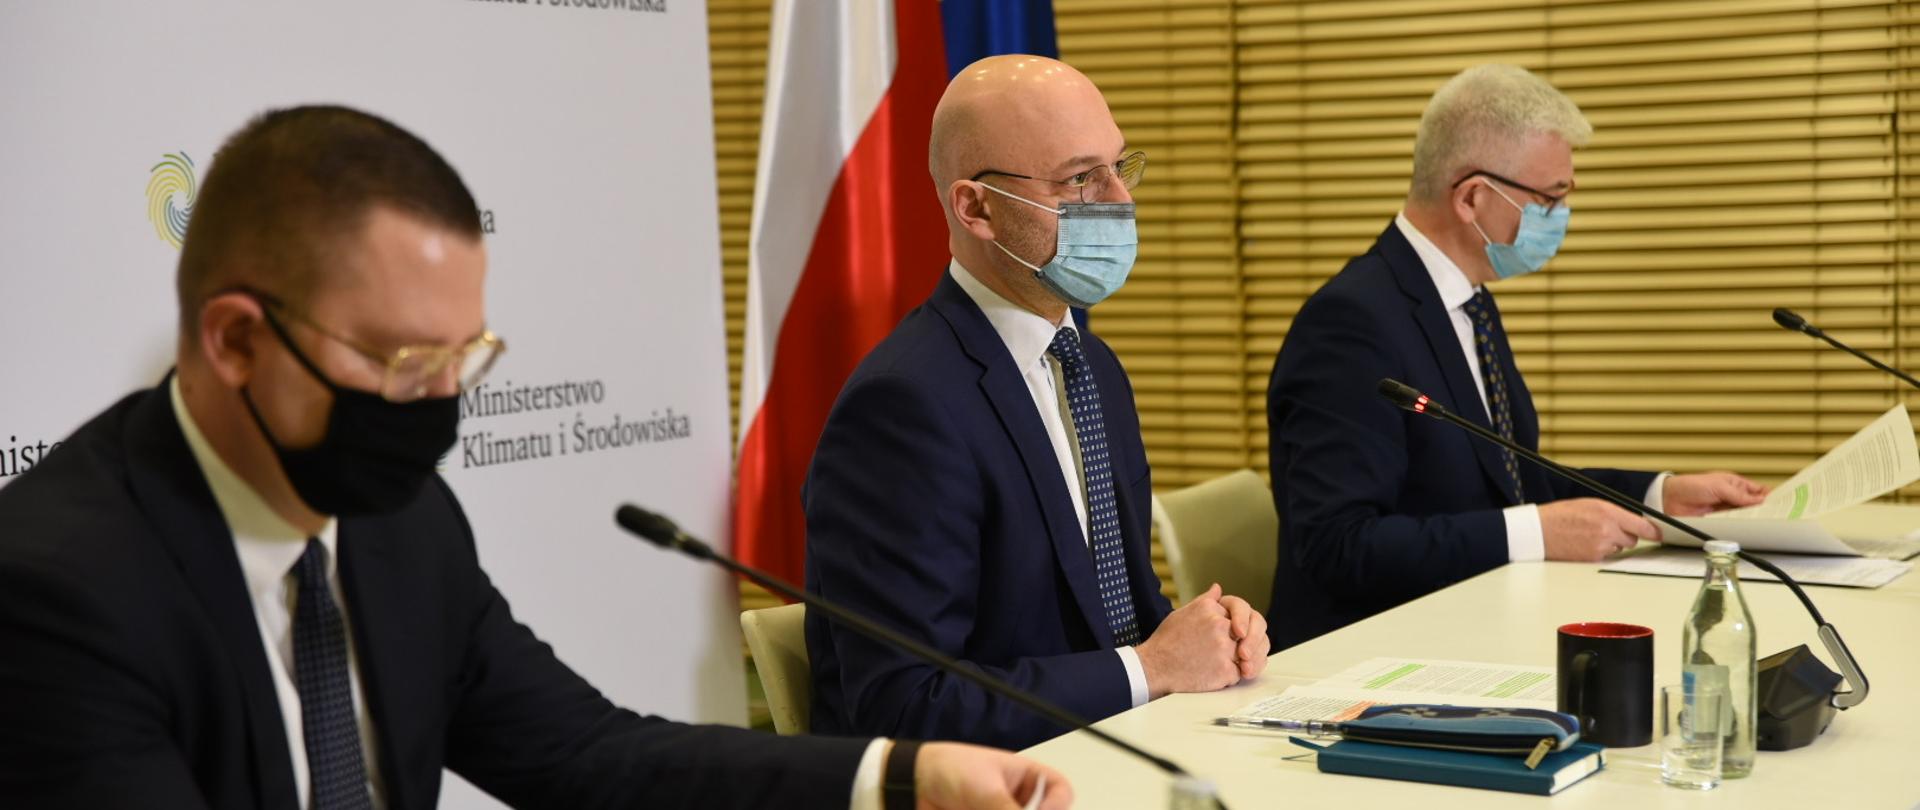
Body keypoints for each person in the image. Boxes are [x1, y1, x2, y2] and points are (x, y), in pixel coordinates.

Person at [0, 105, 1070, 810]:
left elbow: (589, 756)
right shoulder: (58, 591)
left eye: (461, 356)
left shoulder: (401, 524)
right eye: (404, 360)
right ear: (237, 341)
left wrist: (901, 778)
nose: (441, 402)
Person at [803, 55, 1270, 751]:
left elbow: (1116, 612)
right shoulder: (903, 406)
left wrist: (1211, 637)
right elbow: (904, 707)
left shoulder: (1091, 365)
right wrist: (1149, 668)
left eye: (1119, 166)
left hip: (1121, 750)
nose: (1120, 199)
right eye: (1080, 178)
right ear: (976, 208)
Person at [1263, 64, 1769, 651]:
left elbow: (1505, 478)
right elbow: (1339, 546)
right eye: (1549, 198)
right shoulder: (1351, 322)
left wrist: (1658, 494)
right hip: (1367, 651)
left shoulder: (1468, 301)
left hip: (1470, 621)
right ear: (1472, 197)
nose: (1561, 216)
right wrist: (1536, 533)